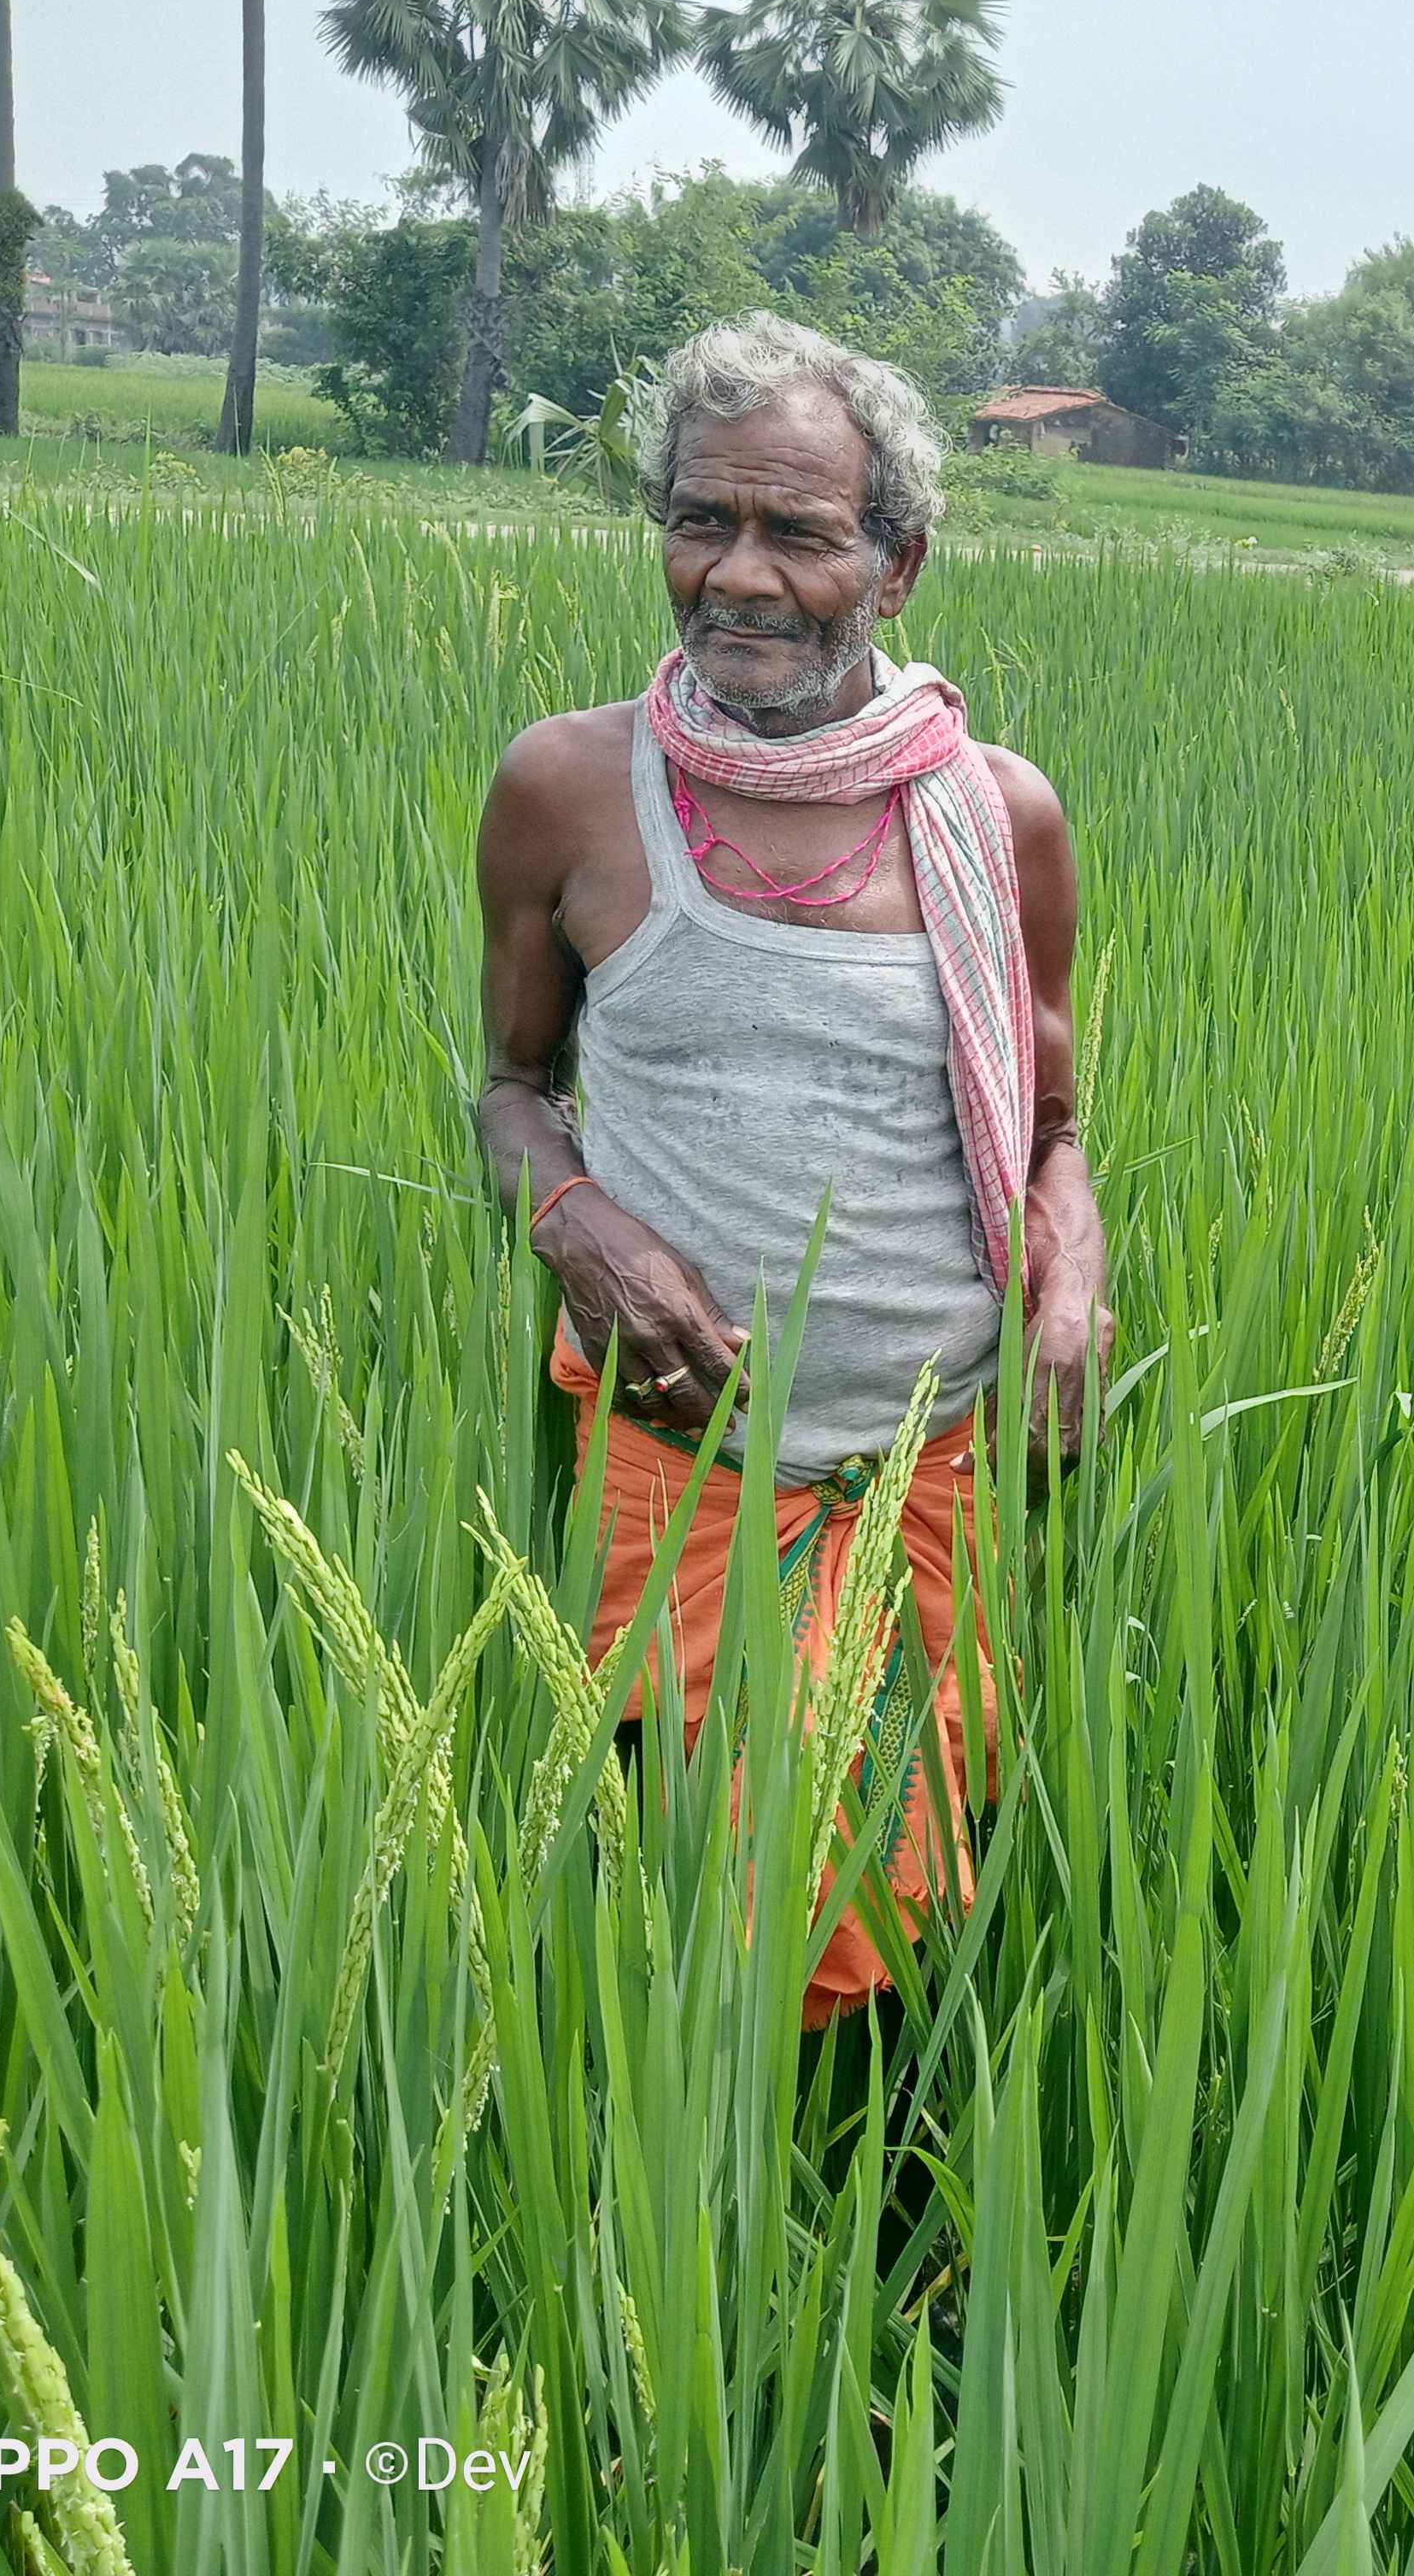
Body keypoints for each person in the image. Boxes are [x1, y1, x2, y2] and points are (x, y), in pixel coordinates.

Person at [472, 311, 1109, 2029]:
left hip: (929, 1475)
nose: (738, 574)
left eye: (800, 534)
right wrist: (581, 1225)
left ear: (898, 565)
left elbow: (1050, 1130)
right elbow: (513, 1092)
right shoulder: (567, 789)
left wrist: (1072, 1287)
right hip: (677, 1465)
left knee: (905, 1940)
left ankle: (878, 2186)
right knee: (674, 1936)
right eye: (703, 519)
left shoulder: (999, 816)